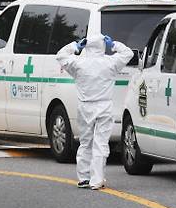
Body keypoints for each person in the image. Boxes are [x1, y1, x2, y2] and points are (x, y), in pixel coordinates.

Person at [56, 33, 134, 190]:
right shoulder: (110, 62)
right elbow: (128, 54)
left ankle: (83, 177)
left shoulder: (79, 63)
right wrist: (114, 44)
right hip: (104, 106)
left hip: (85, 106)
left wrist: (76, 46)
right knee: (100, 144)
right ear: (102, 46)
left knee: (85, 143)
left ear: (87, 47)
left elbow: (60, 55)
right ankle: (96, 179)